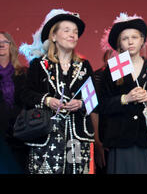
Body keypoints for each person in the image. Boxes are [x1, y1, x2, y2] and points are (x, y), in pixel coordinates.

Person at [17, 9, 95, 174]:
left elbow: (95, 99)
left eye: (75, 32)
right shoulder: (39, 65)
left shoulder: (84, 66)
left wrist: (81, 103)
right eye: (66, 30)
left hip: (76, 137)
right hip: (47, 136)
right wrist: (47, 100)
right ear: (53, 36)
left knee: (75, 171)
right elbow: (25, 94)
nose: (72, 35)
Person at [97, 13, 147, 174]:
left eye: (134, 37)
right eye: (125, 38)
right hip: (120, 141)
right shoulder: (112, 71)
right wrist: (125, 98)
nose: (130, 42)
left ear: (142, 41)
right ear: (119, 43)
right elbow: (102, 105)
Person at [0, 32, 28, 172]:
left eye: (5, 41)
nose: (1, 44)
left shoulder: (24, 73)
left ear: (11, 46)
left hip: (21, 137)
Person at [91, 49, 113, 174]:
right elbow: (93, 109)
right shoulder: (96, 76)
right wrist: (97, 141)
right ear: (105, 59)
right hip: (104, 137)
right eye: (111, 56)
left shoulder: (132, 75)